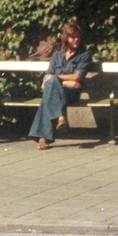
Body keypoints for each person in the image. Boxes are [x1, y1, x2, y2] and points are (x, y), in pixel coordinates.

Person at [28, 21, 91, 150]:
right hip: (60, 89)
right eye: (73, 37)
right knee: (50, 88)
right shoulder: (57, 56)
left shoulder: (84, 55)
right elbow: (46, 79)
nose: (76, 39)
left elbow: (78, 77)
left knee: (50, 89)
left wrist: (57, 79)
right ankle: (60, 118)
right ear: (66, 38)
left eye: (78, 36)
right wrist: (66, 81)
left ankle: (43, 137)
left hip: (71, 93)